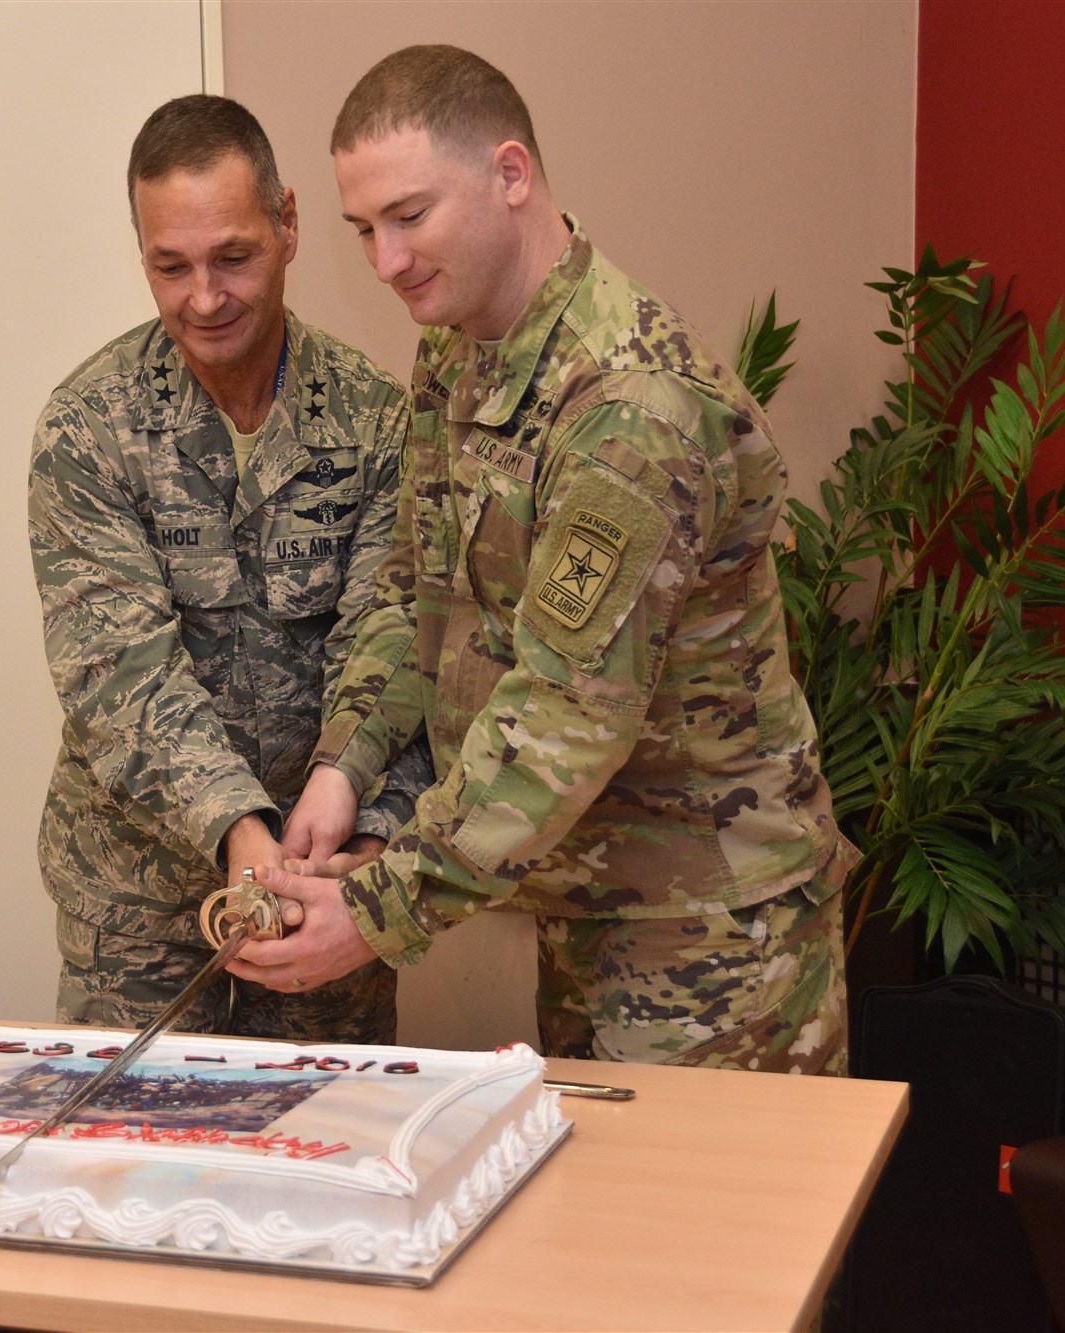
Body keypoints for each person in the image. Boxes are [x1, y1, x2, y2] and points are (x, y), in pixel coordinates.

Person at [232, 47, 856, 1073]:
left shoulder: (626, 411)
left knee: (699, 1232)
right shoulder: (460, 343)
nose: (384, 261)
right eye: (362, 230)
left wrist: (379, 909)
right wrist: (345, 765)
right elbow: (413, 592)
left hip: (709, 941)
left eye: (408, 217)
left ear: (509, 175)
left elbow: (565, 713)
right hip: (588, 905)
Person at [28, 94, 429, 1043]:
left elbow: (399, 634)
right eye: (171, 267)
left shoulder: (376, 419)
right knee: (130, 1168)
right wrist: (240, 830)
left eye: (233, 257)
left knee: (323, 1153)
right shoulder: (88, 429)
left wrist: (361, 838)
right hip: (134, 909)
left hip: (325, 888)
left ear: (288, 223)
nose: (204, 298)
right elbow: (119, 672)